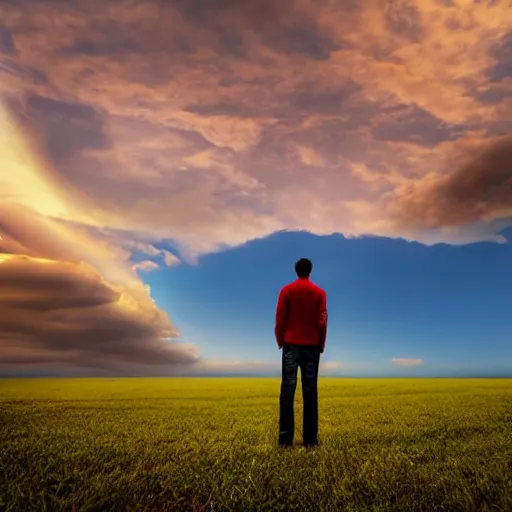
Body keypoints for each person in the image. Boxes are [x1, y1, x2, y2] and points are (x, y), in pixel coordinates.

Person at [275, 258, 327, 448]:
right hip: (312, 346)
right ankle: (311, 440)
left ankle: (285, 440)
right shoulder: (320, 293)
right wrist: (321, 343)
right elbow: (322, 319)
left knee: (287, 390)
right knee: (310, 392)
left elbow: (280, 317)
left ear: (296, 270)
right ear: (310, 271)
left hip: (290, 345)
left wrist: (281, 340)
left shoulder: (286, 291)